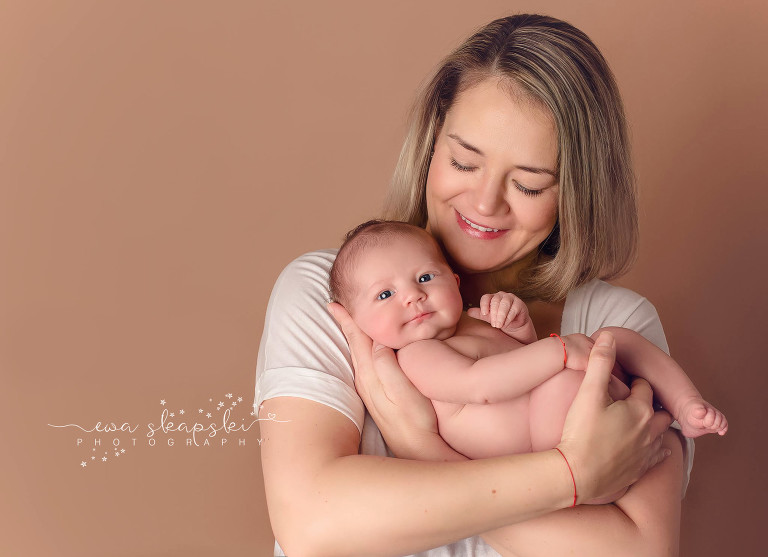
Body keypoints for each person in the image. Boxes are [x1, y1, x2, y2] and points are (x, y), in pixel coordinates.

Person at [256, 14, 693, 556]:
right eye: (464, 161)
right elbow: (313, 522)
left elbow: (641, 554)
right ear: (432, 145)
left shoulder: (614, 325)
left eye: (529, 185)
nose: (485, 204)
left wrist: (421, 445)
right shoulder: (333, 296)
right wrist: (571, 476)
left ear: (577, 193)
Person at [328, 220, 726, 467]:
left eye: (425, 278)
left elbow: (519, 358)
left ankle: (686, 405)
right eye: (385, 295)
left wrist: (518, 328)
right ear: (360, 324)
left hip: (572, 407)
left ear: (455, 281)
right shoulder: (416, 356)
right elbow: (481, 385)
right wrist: (558, 350)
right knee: (567, 376)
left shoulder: (472, 319)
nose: (413, 296)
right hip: (547, 443)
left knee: (617, 339)